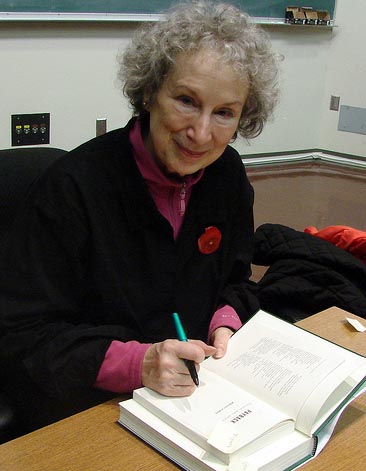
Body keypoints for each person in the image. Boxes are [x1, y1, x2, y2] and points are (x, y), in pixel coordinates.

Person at [0, 0, 279, 433]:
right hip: (87, 406)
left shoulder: (227, 176)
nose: (201, 134)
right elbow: (23, 335)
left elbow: (236, 280)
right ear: (149, 92)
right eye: (186, 101)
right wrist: (141, 363)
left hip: (196, 398)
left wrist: (225, 322)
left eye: (224, 112)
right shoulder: (73, 187)